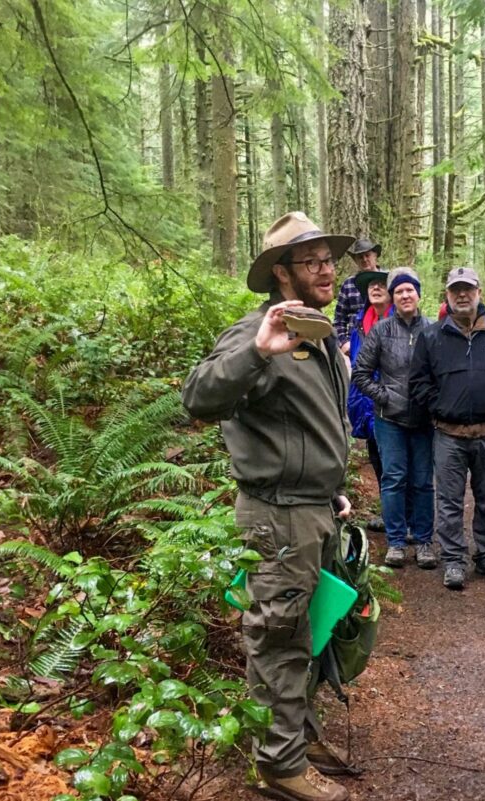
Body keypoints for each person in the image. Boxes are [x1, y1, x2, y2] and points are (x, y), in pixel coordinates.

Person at [182, 211, 355, 801]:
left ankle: (296, 738)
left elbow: (307, 427)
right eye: (313, 262)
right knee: (279, 638)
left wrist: (331, 485)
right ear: (282, 274)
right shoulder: (256, 333)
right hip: (277, 516)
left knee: (312, 630)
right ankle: (280, 768)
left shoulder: (318, 336)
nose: (327, 270)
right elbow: (198, 397)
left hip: (314, 510)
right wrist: (257, 352)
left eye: (330, 260)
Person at [410, 266, 485, 590]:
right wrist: (440, 406)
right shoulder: (432, 335)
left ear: (479, 292)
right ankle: (453, 560)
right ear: (447, 296)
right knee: (449, 501)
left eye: (468, 289)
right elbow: (418, 382)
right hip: (448, 434)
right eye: (455, 290)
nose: (462, 295)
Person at [351, 267, 437, 570]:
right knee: (394, 479)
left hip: (425, 420)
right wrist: (384, 395)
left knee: (424, 482)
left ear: (418, 294)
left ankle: (424, 541)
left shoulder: (432, 329)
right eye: (398, 291)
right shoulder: (381, 330)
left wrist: (435, 402)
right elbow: (360, 373)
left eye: (409, 290)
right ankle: (397, 542)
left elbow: (441, 372)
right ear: (393, 297)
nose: (404, 295)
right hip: (389, 419)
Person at [346, 269, 392, 533]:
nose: (375, 288)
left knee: (395, 461)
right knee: (377, 457)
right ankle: (389, 513)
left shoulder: (397, 320)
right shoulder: (360, 321)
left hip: (389, 400)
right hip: (365, 401)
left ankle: (404, 517)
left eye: (381, 284)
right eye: (371, 285)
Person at [333, 237, 382, 355]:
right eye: (360, 257)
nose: (364, 259)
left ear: (375, 256)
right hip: (354, 345)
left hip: (382, 343)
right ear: (355, 260)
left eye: (367, 255)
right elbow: (339, 320)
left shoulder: (388, 280)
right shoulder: (349, 284)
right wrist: (344, 342)